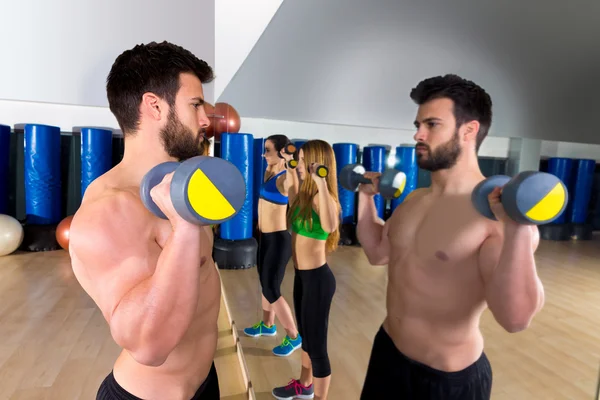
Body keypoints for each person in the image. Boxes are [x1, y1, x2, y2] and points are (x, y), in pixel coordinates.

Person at [358, 74, 544, 399]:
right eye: (418, 124)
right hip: (388, 354)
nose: (418, 134)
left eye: (432, 124)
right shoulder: (414, 201)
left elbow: (515, 319)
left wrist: (517, 230)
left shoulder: (496, 218)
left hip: (447, 379)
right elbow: (377, 252)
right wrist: (365, 197)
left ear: (468, 130)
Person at [68, 41, 221, 400]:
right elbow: (150, 347)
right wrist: (184, 227)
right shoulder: (108, 211)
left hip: (204, 383)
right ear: (154, 105)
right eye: (195, 105)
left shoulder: (182, 181)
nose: (205, 119)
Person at [272, 140, 341, 400]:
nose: (300, 165)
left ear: (317, 163)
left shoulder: (324, 199)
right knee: (306, 337)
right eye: (298, 160)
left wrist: (322, 183)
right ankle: (304, 384)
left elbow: (331, 225)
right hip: (302, 278)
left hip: (318, 281)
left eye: (302, 161)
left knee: (318, 348)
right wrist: (290, 169)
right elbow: (291, 199)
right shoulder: (304, 196)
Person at [243, 134, 303, 357]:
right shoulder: (270, 174)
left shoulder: (283, 177)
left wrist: (290, 162)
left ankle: (294, 336)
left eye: (267, 150)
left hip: (278, 240)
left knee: (272, 289)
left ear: (280, 152)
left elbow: (292, 185)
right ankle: (268, 325)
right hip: (265, 239)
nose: (263, 154)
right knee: (264, 283)